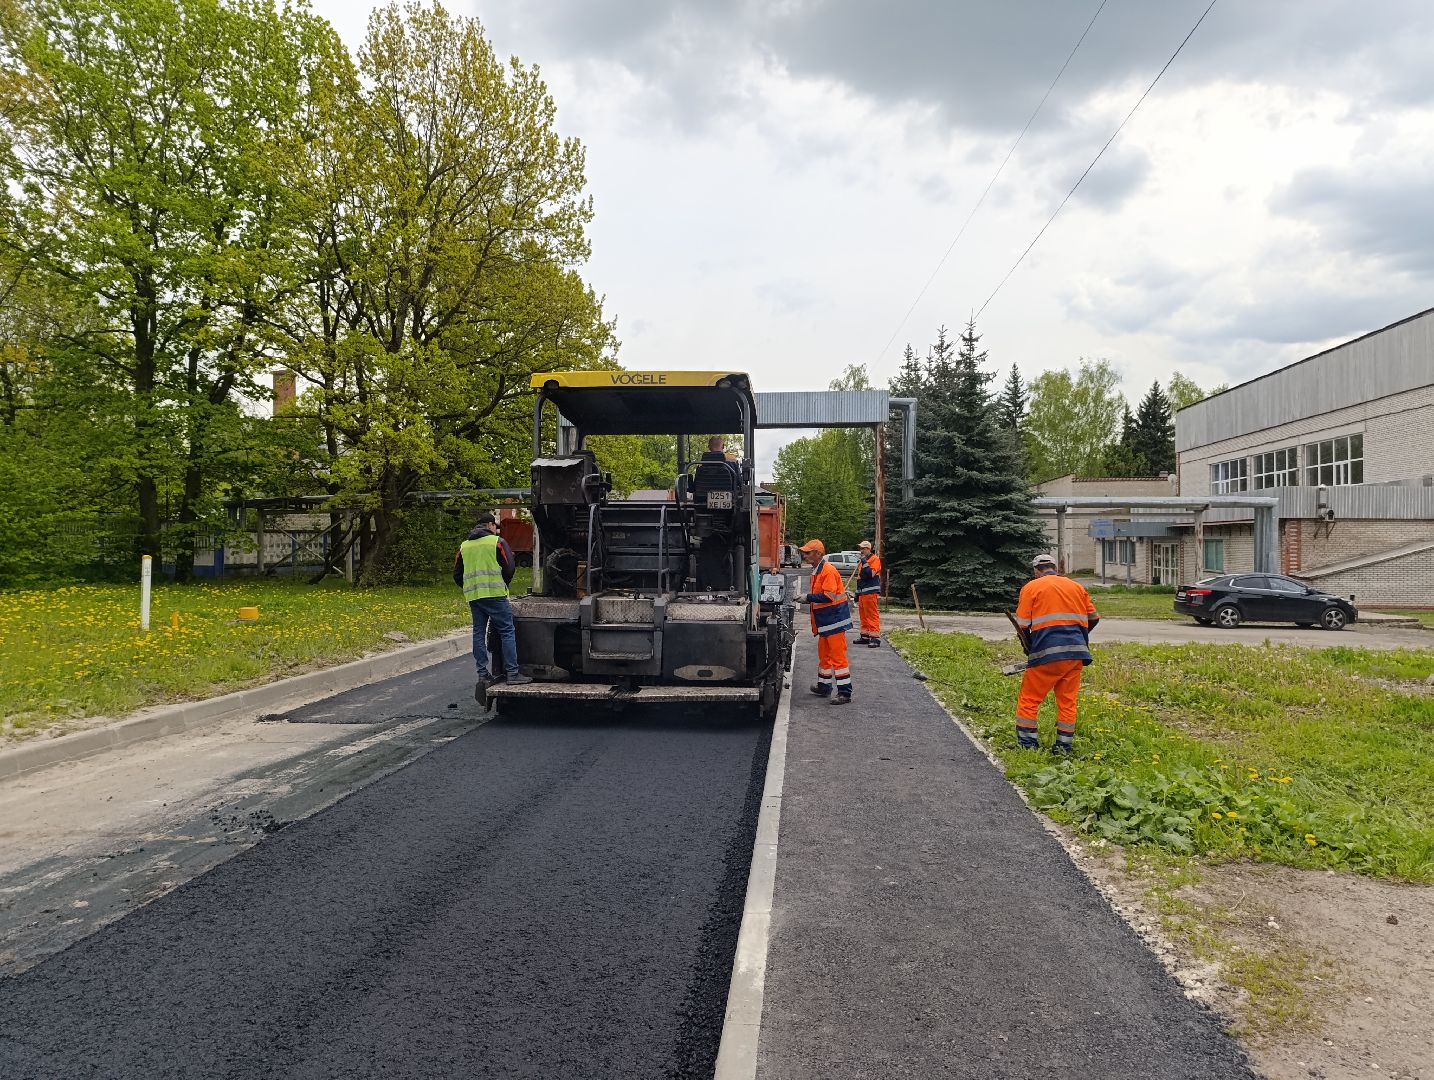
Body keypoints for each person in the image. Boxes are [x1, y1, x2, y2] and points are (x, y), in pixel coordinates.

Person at [1012, 553, 1098, 752]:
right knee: (1067, 702)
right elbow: (1094, 618)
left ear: (1036, 571)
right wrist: (1078, 636)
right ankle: (1063, 747)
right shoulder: (1076, 587)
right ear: (1056, 568)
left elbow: (1022, 625)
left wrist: (1030, 646)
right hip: (1076, 653)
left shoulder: (1031, 587)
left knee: (1029, 699)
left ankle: (1027, 745)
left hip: (1047, 653)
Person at [454, 512, 532, 708]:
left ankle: (482, 673)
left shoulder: (464, 546)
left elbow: (457, 574)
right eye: (495, 526)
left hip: (474, 596)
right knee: (506, 631)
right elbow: (510, 567)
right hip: (495, 594)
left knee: (478, 633)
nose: (496, 529)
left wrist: (469, 587)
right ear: (489, 525)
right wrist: (502, 583)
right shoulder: (497, 542)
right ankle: (512, 673)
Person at [799, 539, 853, 704]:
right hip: (826, 621)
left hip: (834, 620)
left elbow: (828, 596)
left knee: (838, 657)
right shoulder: (818, 570)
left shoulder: (827, 570)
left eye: (808, 553)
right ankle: (824, 686)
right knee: (824, 655)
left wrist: (807, 597)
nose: (805, 555)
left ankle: (844, 693)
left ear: (818, 554)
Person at [854, 539, 883, 647]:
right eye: (860, 548)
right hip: (863, 593)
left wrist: (864, 562)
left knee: (871, 615)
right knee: (863, 615)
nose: (861, 551)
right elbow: (860, 579)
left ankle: (875, 638)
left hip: (870, 592)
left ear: (868, 549)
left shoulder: (875, 559)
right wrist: (857, 593)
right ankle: (865, 636)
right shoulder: (863, 561)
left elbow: (870, 574)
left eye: (863, 549)